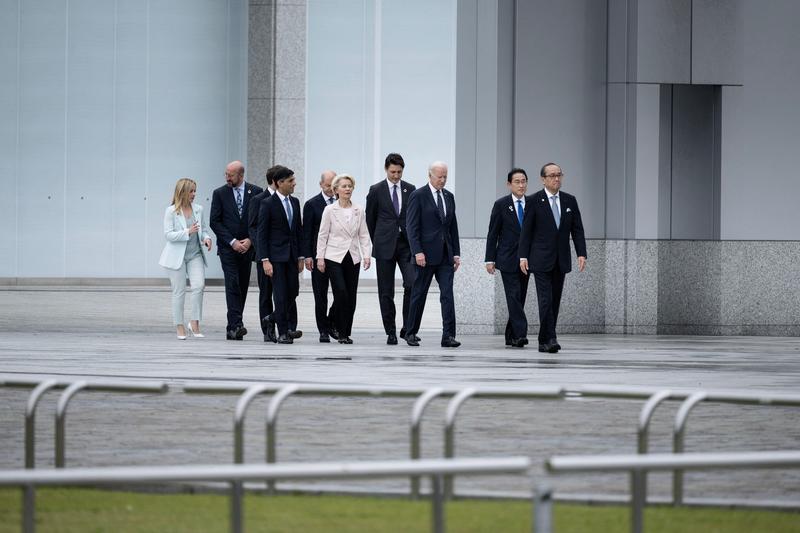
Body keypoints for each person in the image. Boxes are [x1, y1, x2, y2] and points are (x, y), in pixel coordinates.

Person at [519, 162, 586, 353]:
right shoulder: (533, 200)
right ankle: (550, 337)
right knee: (545, 300)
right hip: (539, 259)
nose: (557, 179)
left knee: (555, 300)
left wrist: (581, 252)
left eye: (559, 175)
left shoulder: (569, 201)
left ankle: (544, 339)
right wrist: (522, 256)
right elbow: (526, 231)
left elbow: (577, 229)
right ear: (543, 179)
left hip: (561, 259)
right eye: (552, 175)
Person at [404, 161, 461, 348]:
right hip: (424, 256)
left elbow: (452, 227)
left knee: (447, 295)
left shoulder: (449, 196)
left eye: (445, 176)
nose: (443, 180)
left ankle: (448, 336)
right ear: (430, 176)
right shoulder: (418, 195)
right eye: (439, 177)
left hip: (445, 255)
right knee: (419, 293)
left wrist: (456, 253)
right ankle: (411, 332)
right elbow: (411, 227)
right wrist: (417, 251)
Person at [365, 153, 417, 345]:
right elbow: (370, 218)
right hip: (384, 245)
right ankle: (391, 331)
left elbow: (414, 216)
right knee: (386, 291)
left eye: (399, 172)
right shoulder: (376, 190)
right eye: (393, 172)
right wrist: (377, 240)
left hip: (406, 245)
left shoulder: (410, 189)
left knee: (412, 283)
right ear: (386, 169)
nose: (396, 176)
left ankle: (407, 328)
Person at [316, 174, 372, 344]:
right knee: (341, 292)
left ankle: (344, 333)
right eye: (344, 186)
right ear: (336, 190)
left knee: (351, 296)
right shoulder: (330, 210)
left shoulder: (359, 210)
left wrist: (367, 255)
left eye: (350, 186)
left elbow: (363, 234)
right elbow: (322, 235)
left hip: (353, 257)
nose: (348, 189)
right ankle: (331, 322)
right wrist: (320, 258)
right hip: (334, 256)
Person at [210, 161, 263, 340]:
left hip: (247, 248)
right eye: (226, 174)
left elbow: (259, 220)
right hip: (228, 248)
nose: (227, 177)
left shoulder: (256, 192)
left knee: (242, 285)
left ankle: (234, 325)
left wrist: (250, 240)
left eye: (231, 175)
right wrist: (232, 242)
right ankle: (235, 325)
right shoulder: (219, 194)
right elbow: (215, 221)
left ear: (241, 175)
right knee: (232, 283)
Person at [159, 178, 213, 339]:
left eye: (195, 190)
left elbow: (202, 230)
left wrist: (206, 238)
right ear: (182, 192)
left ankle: (194, 322)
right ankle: (179, 326)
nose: (194, 194)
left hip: (195, 254)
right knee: (179, 291)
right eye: (191, 191)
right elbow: (168, 235)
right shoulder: (171, 211)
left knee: (199, 286)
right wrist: (187, 232)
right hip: (176, 257)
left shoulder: (199, 209)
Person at [257, 165, 304, 344]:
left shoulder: (295, 202)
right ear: (279, 183)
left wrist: (300, 256)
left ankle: (271, 318)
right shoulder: (267, 203)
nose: (294, 184)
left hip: (292, 257)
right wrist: (265, 260)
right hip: (275, 257)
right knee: (280, 294)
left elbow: (298, 231)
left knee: (293, 291)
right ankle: (283, 332)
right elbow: (262, 234)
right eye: (291, 181)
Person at [485, 168, 531, 348]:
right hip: (506, 258)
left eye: (524, 181)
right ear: (509, 184)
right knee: (513, 296)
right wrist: (489, 259)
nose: (521, 185)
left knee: (520, 297)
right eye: (517, 182)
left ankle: (510, 335)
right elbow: (493, 233)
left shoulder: (533, 203)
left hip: (526, 259)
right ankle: (520, 333)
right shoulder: (501, 205)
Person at [303, 170, 338, 342]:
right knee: (321, 295)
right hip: (319, 256)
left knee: (341, 293)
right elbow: (307, 232)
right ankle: (323, 329)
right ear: (320, 185)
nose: (331, 189)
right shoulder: (312, 204)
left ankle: (332, 322)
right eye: (327, 186)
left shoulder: (343, 202)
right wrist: (308, 256)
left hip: (338, 255)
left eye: (333, 185)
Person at [248, 167, 278, 342]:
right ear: (275, 181)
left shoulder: (289, 200)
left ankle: (286, 326)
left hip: (283, 254)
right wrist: (262, 250)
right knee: (266, 293)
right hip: (265, 254)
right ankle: (267, 329)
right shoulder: (258, 199)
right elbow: (252, 226)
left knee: (286, 293)